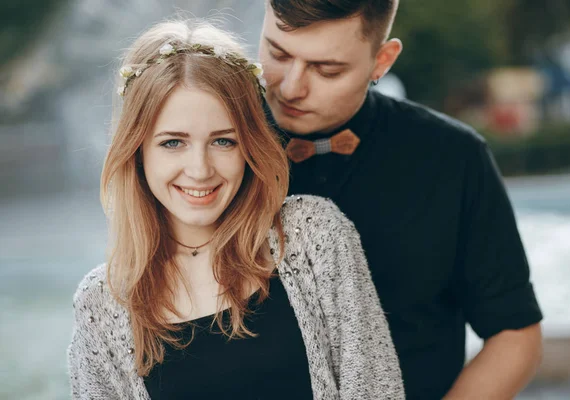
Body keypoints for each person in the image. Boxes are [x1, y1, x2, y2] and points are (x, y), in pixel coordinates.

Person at [67, 19, 404, 400]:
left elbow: (378, 389)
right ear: (138, 151)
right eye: (173, 142)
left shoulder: (314, 236)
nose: (200, 170)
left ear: (249, 146)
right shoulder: (103, 301)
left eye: (223, 141)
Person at [257, 1, 544, 399]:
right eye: (278, 53)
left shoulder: (454, 157)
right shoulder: (205, 149)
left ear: (382, 61)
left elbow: (515, 333)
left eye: (327, 69)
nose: (290, 87)